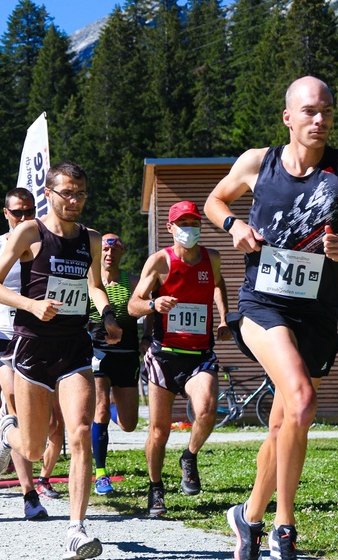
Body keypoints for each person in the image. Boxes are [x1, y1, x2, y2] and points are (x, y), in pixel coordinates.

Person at [204, 76, 338, 560]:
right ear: (287, 117)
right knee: (301, 401)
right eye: (309, 111)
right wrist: (234, 225)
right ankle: (284, 527)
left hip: (317, 316)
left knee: (285, 422)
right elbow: (213, 201)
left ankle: (247, 515)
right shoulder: (257, 163)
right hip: (263, 305)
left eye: (327, 111)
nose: (320, 120)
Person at [0, 162, 121, 560]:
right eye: (67, 193)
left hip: (74, 348)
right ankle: (6, 430)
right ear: (49, 194)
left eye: (81, 193)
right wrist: (31, 304)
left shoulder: (90, 239)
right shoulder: (30, 232)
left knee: (80, 432)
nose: (75, 200)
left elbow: (94, 286)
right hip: (32, 347)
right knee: (32, 447)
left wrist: (107, 316)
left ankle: (76, 529)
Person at [0, 187, 63, 519]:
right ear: (5, 213)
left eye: (29, 211)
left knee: (48, 422)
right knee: (16, 403)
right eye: (17, 212)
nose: (23, 217)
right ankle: (29, 494)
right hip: (5, 335)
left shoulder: (48, 242)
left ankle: (7, 434)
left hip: (42, 335)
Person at [127, 201, 229, 516]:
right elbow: (133, 305)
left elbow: (218, 284)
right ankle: (155, 487)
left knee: (207, 410)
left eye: (194, 223)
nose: (190, 229)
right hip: (164, 356)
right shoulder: (160, 262)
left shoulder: (212, 258)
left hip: (199, 355)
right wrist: (153, 304)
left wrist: (224, 317)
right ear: (170, 227)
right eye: (183, 224)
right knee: (160, 431)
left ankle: (190, 455)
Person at [87, 233, 142, 496]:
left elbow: (150, 309)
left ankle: (110, 410)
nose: (109, 254)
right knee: (99, 410)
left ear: (122, 253)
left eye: (114, 250)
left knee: (129, 423)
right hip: (98, 353)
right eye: (105, 250)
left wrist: (149, 337)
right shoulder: (90, 282)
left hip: (127, 354)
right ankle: (100, 473)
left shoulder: (133, 281)